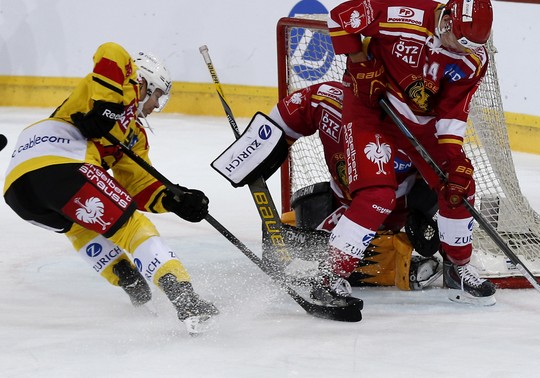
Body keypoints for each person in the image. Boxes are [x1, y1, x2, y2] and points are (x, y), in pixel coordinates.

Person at [3, 43, 219, 335]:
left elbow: (138, 182)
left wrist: (173, 199)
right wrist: (109, 107)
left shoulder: (133, 135)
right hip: (61, 162)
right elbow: (111, 50)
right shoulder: (123, 86)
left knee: (81, 224)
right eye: (157, 95)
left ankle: (127, 278)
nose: (156, 105)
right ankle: (184, 296)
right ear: (144, 82)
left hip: (21, 193)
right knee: (129, 225)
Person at [322, 0, 496, 306]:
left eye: (468, 47)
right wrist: (360, 61)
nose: (460, 50)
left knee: (459, 184)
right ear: (447, 21)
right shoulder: (404, 13)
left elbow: (451, 114)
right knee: (377, 194)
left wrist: (454, 159)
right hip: (372, 111)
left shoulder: (473, 60)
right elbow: (340, 17)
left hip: (420, 124)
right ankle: (331, 275)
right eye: (457, 40)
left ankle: (459, 267)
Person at [268, 81, 442, 292]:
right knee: (300, 229)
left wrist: (432, 219)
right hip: (341, 201)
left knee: (389, 237)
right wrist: (256, 149)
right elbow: (284, 119)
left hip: (391, 217)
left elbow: (450, 185)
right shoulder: (329, 101)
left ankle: (374, 261)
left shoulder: (424, 133)